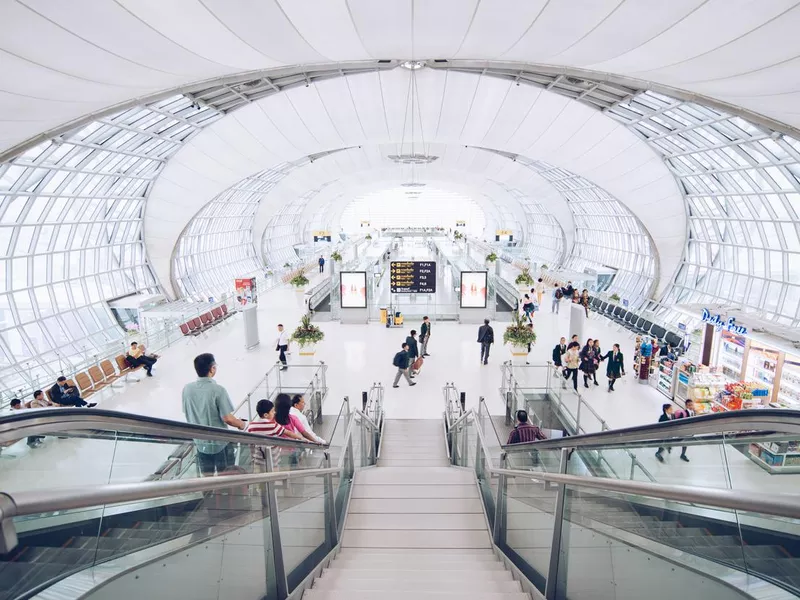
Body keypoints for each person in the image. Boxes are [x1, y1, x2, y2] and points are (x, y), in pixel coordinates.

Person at [182, 353, 246, 476]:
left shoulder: (187, 389)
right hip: (220, 444)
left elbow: (187, 412)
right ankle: (225, 494)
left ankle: (209, 494)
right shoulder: (218, 390)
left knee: (207, 477)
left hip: (200, 443)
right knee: (226, 475)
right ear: (212, 369)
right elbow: (228, 419)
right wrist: (241, 424)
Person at [246, 399, 307, 473]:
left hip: (258, 461)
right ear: (266, 415)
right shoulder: (273, 425)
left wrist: (253, 457)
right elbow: (288, 433)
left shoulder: (251, 426)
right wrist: (300, 438)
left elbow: (251, 444)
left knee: (260, 481)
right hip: (273, 462)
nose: (274, 413)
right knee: (272, 480)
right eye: (272, 411)